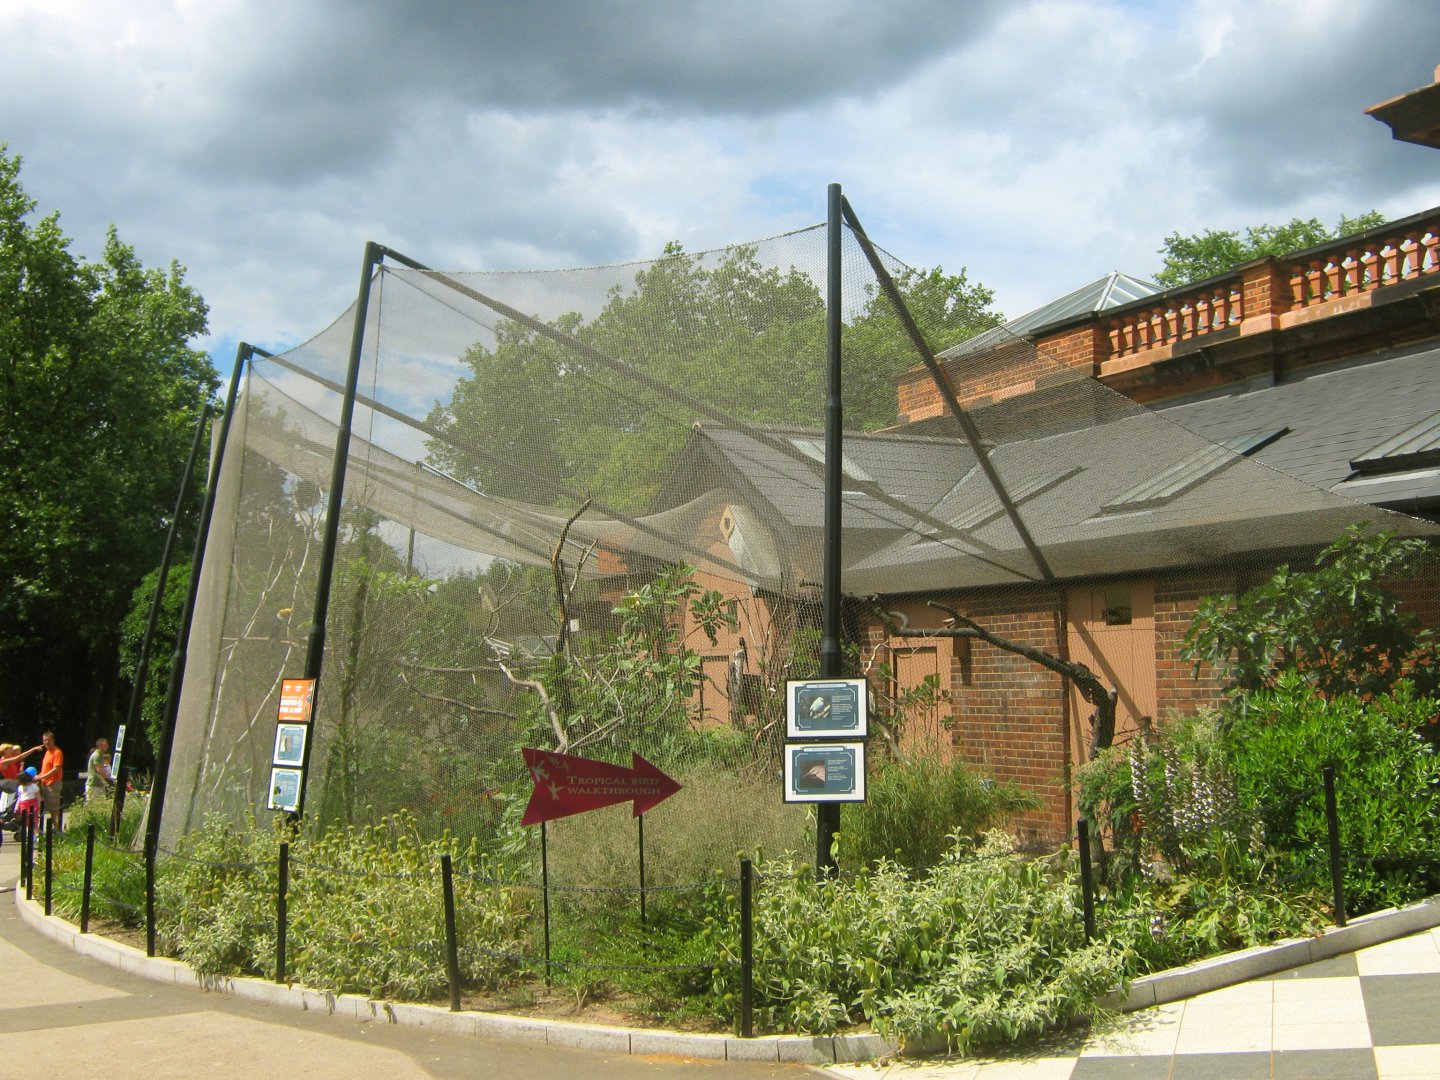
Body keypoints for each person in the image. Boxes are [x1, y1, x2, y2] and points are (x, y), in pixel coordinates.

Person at [36, 730, 63, 830]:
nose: (46, 742)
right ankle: (47, 829)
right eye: (44, 740)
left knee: (53, 808)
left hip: (53, 783)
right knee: (43, 806)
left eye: (48, 740)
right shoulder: (47, 752)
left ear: (53, 740)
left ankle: (57, 829)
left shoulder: (57, 752)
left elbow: (56, 769)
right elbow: (46, 768)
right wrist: (39, 776)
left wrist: (42, 777)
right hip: (44, 783)